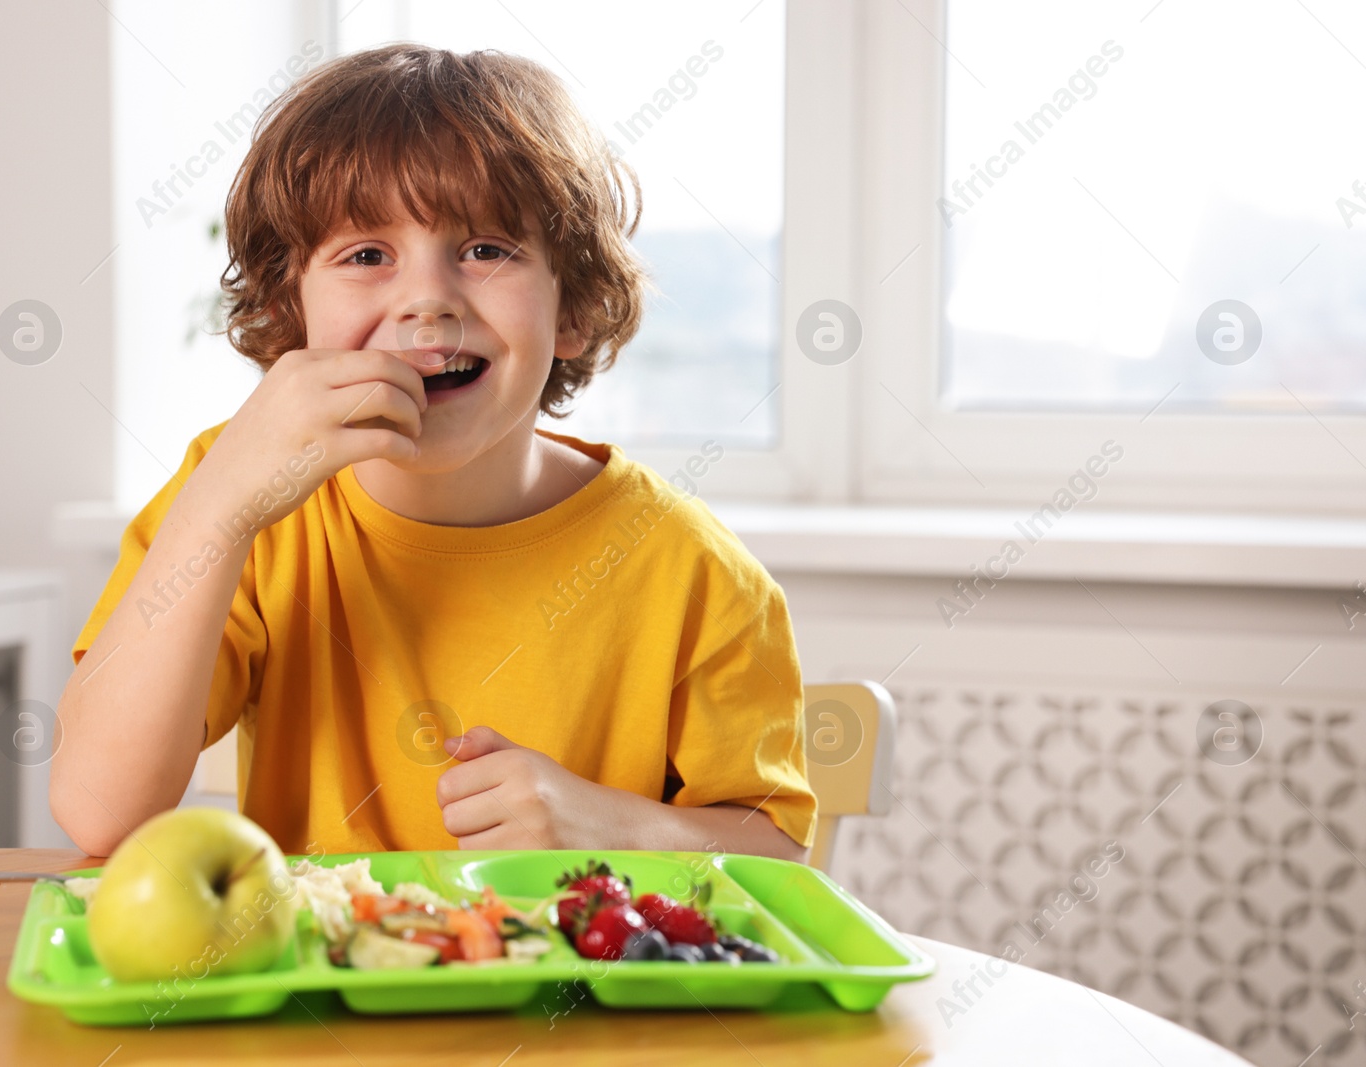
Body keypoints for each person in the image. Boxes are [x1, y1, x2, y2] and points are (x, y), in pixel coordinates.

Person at [50, 43, 816, 862]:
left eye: (487, 249)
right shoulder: (234, 495)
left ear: (575, 308)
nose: (426, 301)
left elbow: (777, 857)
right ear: (291, 310)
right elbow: (101, 814)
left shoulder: (692, 569)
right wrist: (221, 506)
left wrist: (610, 826)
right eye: (366, 255)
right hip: (319, 989)